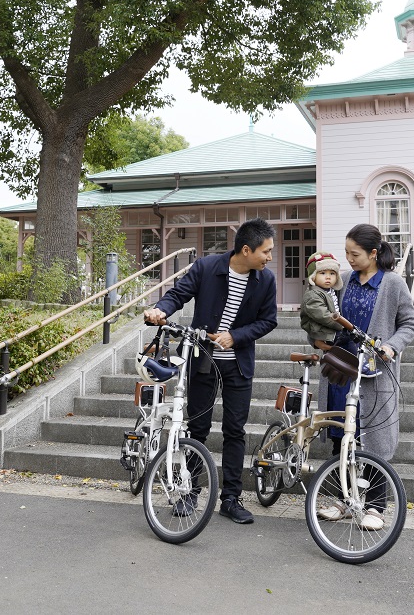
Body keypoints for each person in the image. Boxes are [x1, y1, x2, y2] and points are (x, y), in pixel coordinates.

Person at [144, 218, 277, 525]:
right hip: (204, 359)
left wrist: (237, 335)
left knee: (235, 431)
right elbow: (178, 294)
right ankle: (189, 493)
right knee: (198, 428)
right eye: (266, 251)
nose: (269, 257)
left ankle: (230, 498)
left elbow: (268, 320)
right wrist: (161, 310)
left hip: (238, 364)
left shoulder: (265, 281)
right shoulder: (207, 267)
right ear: (246, 250)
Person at [317, 224, 414, 529]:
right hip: (341, 369)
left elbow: (410, 324)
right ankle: (344, 500)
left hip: (375, 374)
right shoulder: (344, 280)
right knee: (341, 436)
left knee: (374, 439)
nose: (349, 259)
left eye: (355, 254)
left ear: (373, 254)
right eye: (346, 252)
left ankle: (375, 507)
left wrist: (391, 346)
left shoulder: (393, 283)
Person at [299, 250, 344, 350]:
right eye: (323, 273)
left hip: (331, 331)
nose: (328, 277)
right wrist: (343, 325)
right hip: (323, 333)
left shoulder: (330, 291)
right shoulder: (313, 295)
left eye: (332, 273)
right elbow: (323, 315)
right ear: (313, 277)